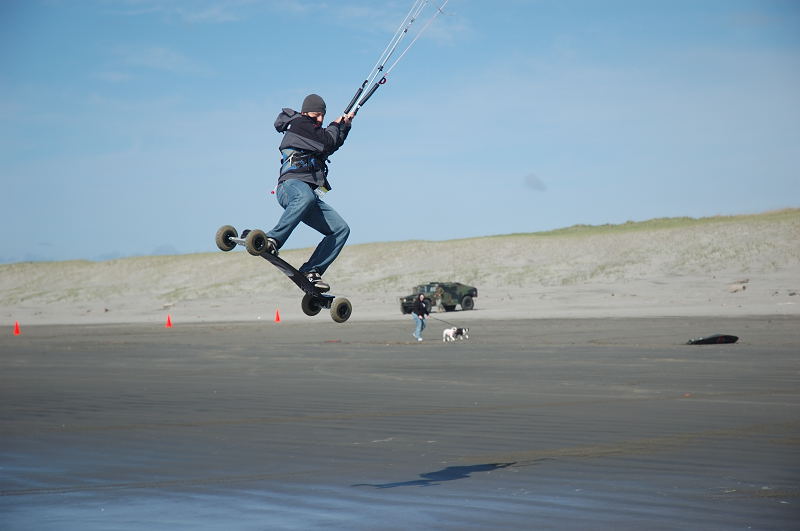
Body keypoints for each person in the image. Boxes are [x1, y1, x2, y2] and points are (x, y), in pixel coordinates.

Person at [267, 94, 355, 292]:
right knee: (305, 196)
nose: (320, 120)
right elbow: (326, 142)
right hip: (290, 187)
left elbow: (330, 146)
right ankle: (273, 239)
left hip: (307, 195)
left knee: (340, 229)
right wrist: (334, 123)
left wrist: (345, 125)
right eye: (317, 115)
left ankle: (312, 270)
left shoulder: (313, 132)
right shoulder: (300, 123)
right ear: (306, 112)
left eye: (323, 116)